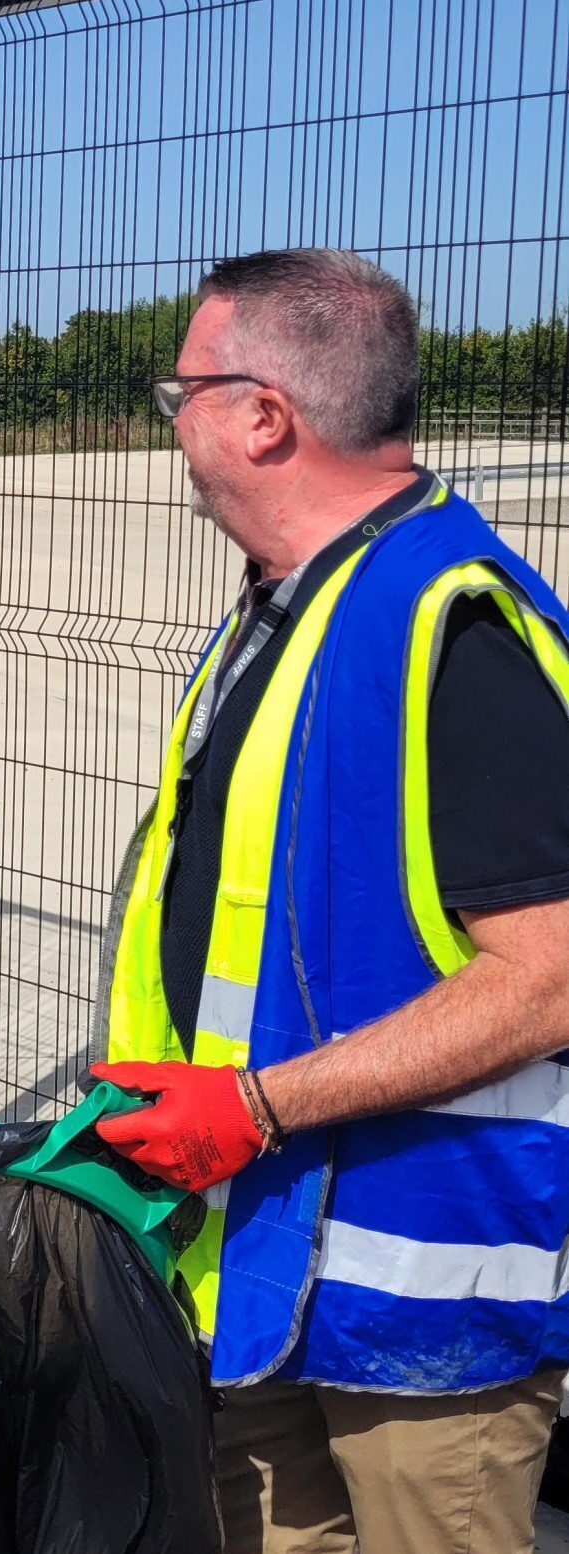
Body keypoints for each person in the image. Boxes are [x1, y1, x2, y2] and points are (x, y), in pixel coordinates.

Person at [89, 249, 569, 1554]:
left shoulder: (448, 624)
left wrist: (248, 1105)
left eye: (175, 391)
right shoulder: (283, 612)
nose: (168, 423)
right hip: (261, 1257)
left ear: (262, 414)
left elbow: (548, 975)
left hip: (427, 1310)